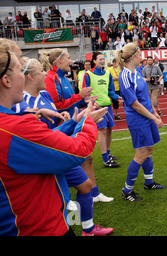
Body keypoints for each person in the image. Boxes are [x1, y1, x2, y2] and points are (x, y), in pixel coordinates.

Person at [0, 46, 106, 236]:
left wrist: (72, 121)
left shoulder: (15, 121)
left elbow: (43, 140)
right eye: (19, 69)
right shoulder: (12, 127)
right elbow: (78, 150)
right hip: (39, 228)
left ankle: (88, 228)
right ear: (6, 80)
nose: (23, 76)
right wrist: (87, 120)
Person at [42, 48, 114, 203]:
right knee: (73, 162)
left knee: (87, 158)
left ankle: (93, 194)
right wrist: (79, 97)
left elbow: (70, 101)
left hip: (71, 124)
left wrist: (84, 101)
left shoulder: (63, 78)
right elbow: (56, 106)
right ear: (60, 60)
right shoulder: (51, 78)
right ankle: (70, 199)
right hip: (63, 127)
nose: (71, 61)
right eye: (68, 58)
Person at [116, 43, 165, 202]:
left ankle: (149, 182)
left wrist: (154, 111)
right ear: (132, 57)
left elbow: (144, 96)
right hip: (138, 119)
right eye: (139, 54)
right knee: (141, 153)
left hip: (147, 115)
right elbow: (135, 104)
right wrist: (154, 118)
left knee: (149, 149)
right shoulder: (125, 76)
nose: (142, 56)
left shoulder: (137, 71)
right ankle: (126, 191)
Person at [82, 52, 121, 168]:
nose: (102, 61)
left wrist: (116, 97)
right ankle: (105, 159)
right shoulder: (88, 75)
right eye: (99, 59)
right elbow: (85, 92)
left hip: (107, 106)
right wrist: (93, 103)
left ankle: (108, 153)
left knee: (109, 129)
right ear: (94, 61)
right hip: (96, 107)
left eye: (103, 59)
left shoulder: (107, 74)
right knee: (102, 130)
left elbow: (110, 91)